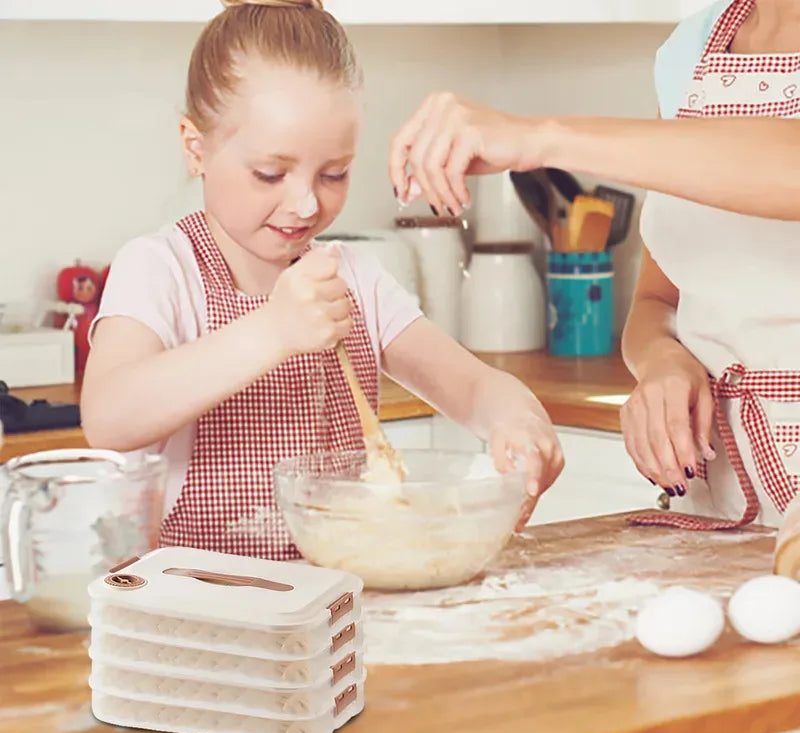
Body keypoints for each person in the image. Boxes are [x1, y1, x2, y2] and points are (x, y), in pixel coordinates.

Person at [80, 0, 564, 560]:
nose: (306, 202)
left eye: (334, 173)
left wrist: (518, 421)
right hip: (198, 607)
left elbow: (474, 386)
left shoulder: (354, 277)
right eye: (270, 173)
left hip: (338, 601)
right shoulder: (162, 268)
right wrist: (272, 331)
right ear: (197, 148)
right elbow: (108, 418)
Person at [390, 0, 800, 530]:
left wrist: (540, 137)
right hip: (719, 501)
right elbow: (658, 300)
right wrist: (661, 362)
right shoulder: (690, 50)